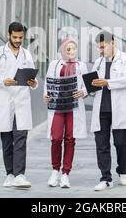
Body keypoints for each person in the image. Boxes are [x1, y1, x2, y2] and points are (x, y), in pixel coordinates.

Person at [0, 22, 38, 188]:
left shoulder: (27, 54)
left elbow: (33, 78)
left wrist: (33, 82)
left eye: (20, 37)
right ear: (9, 35)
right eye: (15, 37)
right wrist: (3, 81)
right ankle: (9, 174)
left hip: (21, 101)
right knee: (7, 140)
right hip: (4, 100)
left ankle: (20, 175)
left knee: (21, 138)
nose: (18, 40)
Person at [90, 30, 126, 191]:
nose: (101, 51)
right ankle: (105, 178)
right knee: (101, 145)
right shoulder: (98, 62)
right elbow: (94, 86)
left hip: (120, 108)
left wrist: (107, 82)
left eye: (103, 47)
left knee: (121, 143)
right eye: (99, 48)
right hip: (101, 109)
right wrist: (89, 87)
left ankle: (123, 172)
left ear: (112, 43)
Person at [43, 37, 88, 188]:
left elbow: (87, 85)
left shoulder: (81, 65)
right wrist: (46, 94)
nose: (71, 52)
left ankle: (65, 174)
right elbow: (48, 82)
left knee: (70, 139)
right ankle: (55, 171)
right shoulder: (54, 64)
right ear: (62, 50)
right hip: (57, 106)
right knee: (56, 138)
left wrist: (82, 92)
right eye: (68, 49)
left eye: (74, 49)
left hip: (73, 107)